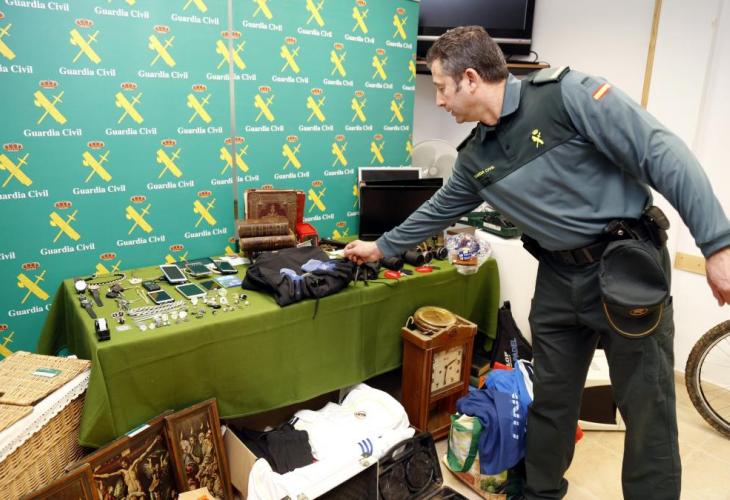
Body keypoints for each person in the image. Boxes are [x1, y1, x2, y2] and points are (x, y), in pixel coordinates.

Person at [343, 25, 730, 500]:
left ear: (470, 79)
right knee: (550, 400)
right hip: (559, 280)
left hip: (626, 266)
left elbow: (662, 153)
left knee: (648, 408)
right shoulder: (474, 158)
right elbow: (438, 209)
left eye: (441, 87)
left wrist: (717, 244)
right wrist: (381, 247)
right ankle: (539, 493)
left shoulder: (568, 95)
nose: (439, 100)